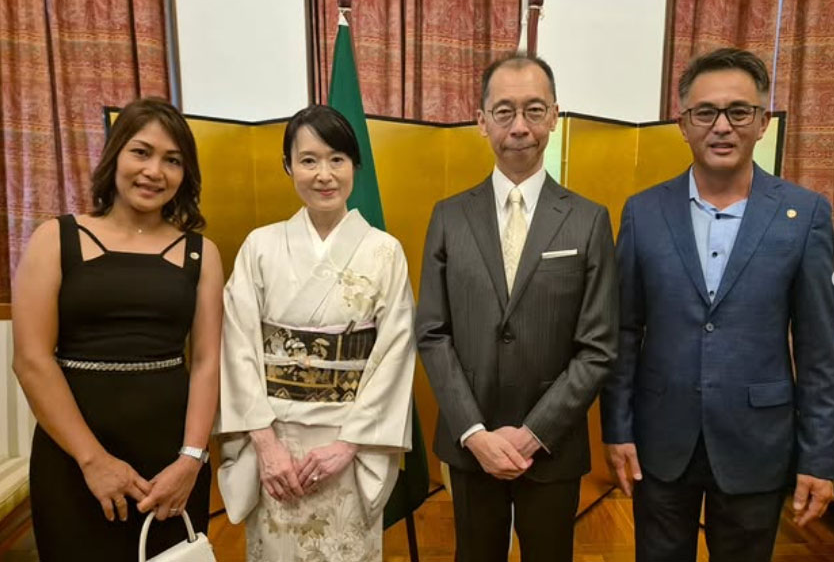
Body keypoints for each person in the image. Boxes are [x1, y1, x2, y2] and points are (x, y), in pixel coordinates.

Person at [601, 47, 834, 562]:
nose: (722, 126)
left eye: (739, 111)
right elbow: (621, 331)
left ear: (763, 122)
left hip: (758, 441)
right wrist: (617, 429)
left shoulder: (807, 214)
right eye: (705, 112)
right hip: (661, 441)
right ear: (683, 124)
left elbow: (820, 350)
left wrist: (820, 455)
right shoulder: (643, 213)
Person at [415, 54, 618, 562]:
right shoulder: (448, 217)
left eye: (533, 110)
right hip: (469, 444)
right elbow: (433, 333)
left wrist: (532, 435)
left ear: (554, 115)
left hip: (552, 447)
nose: (520, 126)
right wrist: (476, 433)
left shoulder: (589, 221)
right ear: (481, 121)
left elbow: (597, 347)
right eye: (504, 112)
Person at [12, 97, 223, 560]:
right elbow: (30, 359)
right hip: (73, 454)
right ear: (115, 156)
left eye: (173, 160)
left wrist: (192, 459)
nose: (154, 171)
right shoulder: (56, 238)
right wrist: (93, 460)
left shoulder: (201, 253)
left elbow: (208, 362)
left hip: (172, 461)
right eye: (141, 152)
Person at [217, 104, 416, 561]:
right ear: (289, 166)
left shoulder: (384, 252)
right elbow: (238, 346)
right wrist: (266, 447)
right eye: (308, 160)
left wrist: (348, 445)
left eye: (337, 159)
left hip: (349, 440)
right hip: (276, 442)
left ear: (355, 166)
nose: (323, 174)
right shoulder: (260, 247)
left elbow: (395, 352)